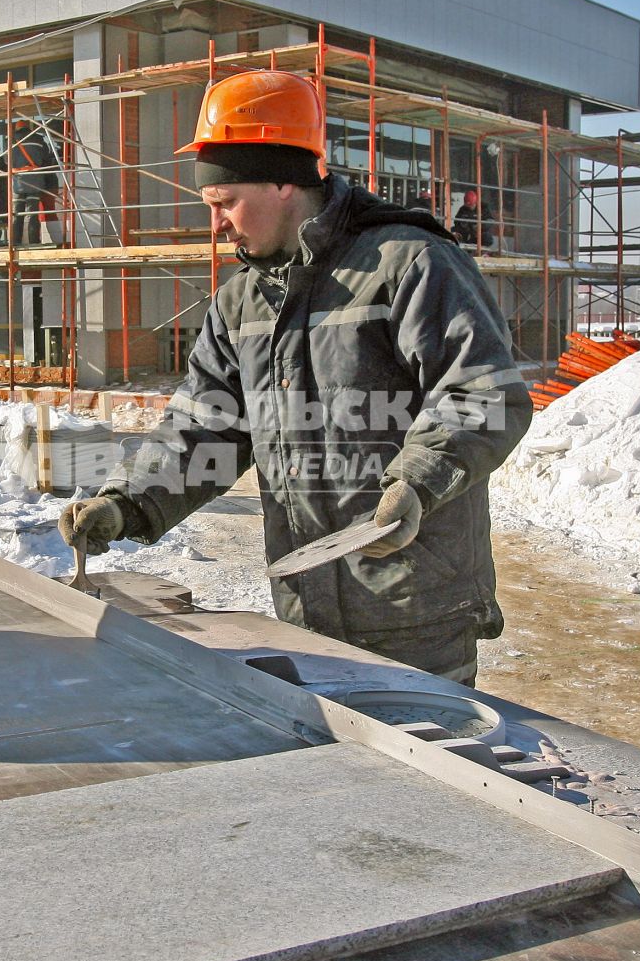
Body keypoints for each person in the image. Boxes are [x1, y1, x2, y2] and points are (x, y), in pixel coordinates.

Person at [58, 70, 531, 685]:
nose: (218, 224)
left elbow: (484, 394)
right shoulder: (241, 302)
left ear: (284, 182)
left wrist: (416, 484)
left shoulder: (408, 264)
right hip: (303, 607)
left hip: (416, 607)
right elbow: (206, 427)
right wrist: (126, 503)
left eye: (226, 203)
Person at [10, 121, 60, 245]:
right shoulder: (38, 139)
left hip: (18, 182)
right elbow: (45, 159)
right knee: (32, 214)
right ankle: (34, 242)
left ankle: (15, 242)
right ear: (29, 128)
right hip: (35, 181)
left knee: (17, 214)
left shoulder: (11, 141)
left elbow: (7, 162)